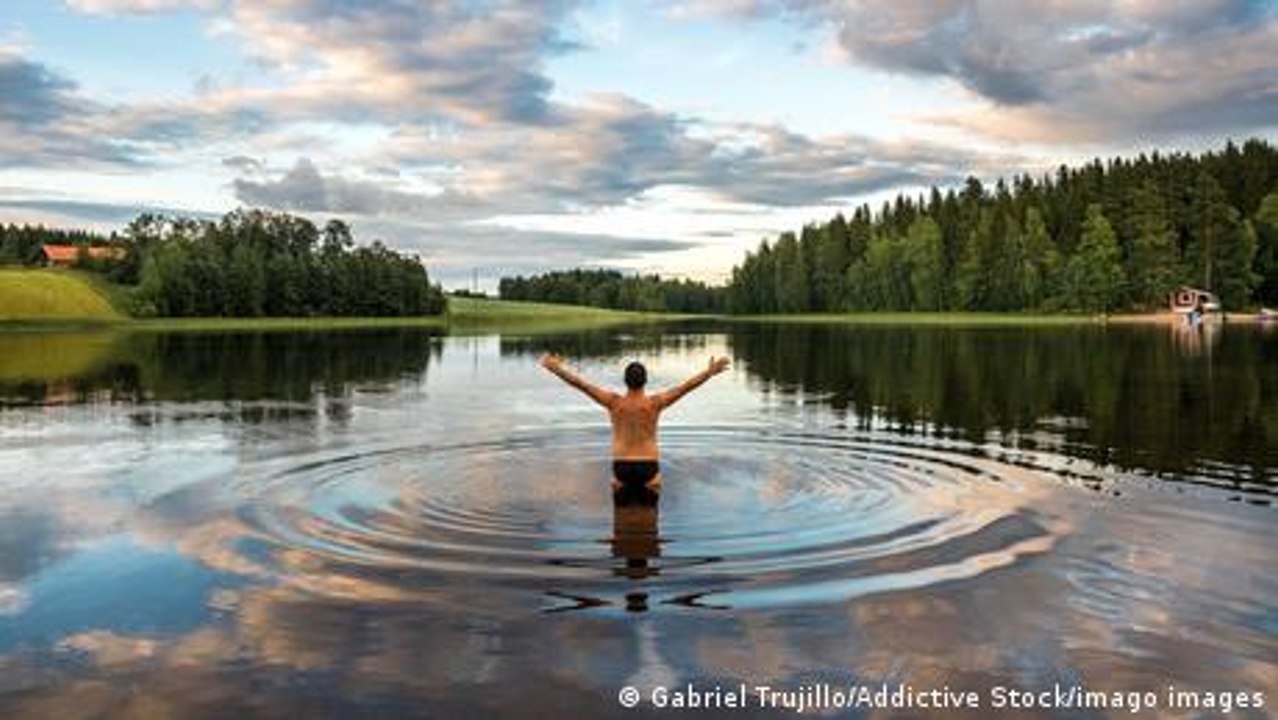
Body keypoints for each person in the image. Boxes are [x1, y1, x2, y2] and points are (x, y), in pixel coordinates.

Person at [539, 354, 731, 505]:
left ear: (625, 380)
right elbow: (685, 387)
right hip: (648, 467)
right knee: (651, 526)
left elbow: (581, 385)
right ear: (645, 381)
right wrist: (709, 373)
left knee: (620, 520)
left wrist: (556, 369)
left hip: (621, 467)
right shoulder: (655, 403)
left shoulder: (613, 402)